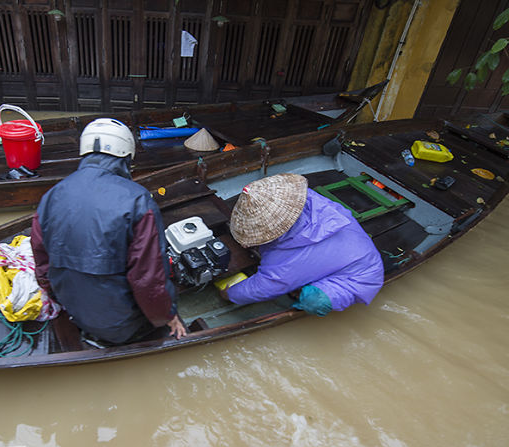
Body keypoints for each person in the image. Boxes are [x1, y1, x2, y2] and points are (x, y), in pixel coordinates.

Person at [31, 118, 187, 345]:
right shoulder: (137, 199)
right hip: (120, 326)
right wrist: (167, 315)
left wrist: (55, 294)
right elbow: (147, 279)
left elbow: (42, 261)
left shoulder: (52, 194)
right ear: (126, 156)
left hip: (73, 308)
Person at [222, 173, 384, 316]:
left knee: (313, 301)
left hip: (360, 276)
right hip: (348, 252)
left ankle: (306, 287)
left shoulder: (290, 260)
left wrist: (230, 294)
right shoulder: (311, 198)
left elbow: (266, 286)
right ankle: (305, 279)